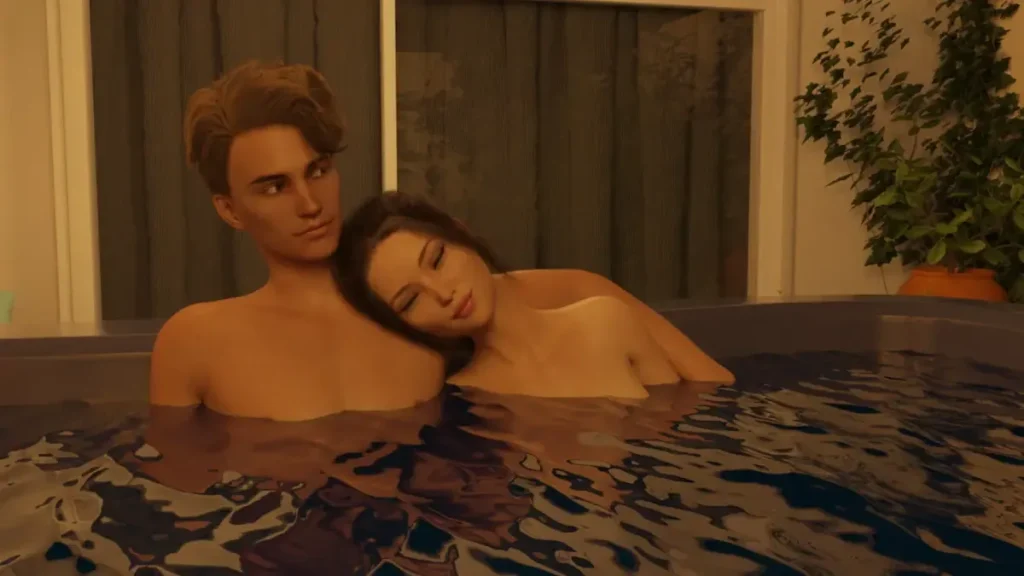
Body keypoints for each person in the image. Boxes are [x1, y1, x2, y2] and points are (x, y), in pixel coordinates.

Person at [149, 60, 733, 421]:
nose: (309, 202)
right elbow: (176, 503)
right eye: (274, 186)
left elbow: (583, 292)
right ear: (229, 208)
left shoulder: (419, 299)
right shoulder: (196, 340)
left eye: (318, 170)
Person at [333, 191, 680, 398]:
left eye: (437, 259)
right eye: (410, 301)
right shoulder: (467, 401)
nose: (442, 294)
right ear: (403, 325)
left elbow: (679, 434)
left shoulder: (607, 321)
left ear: (459, 232)